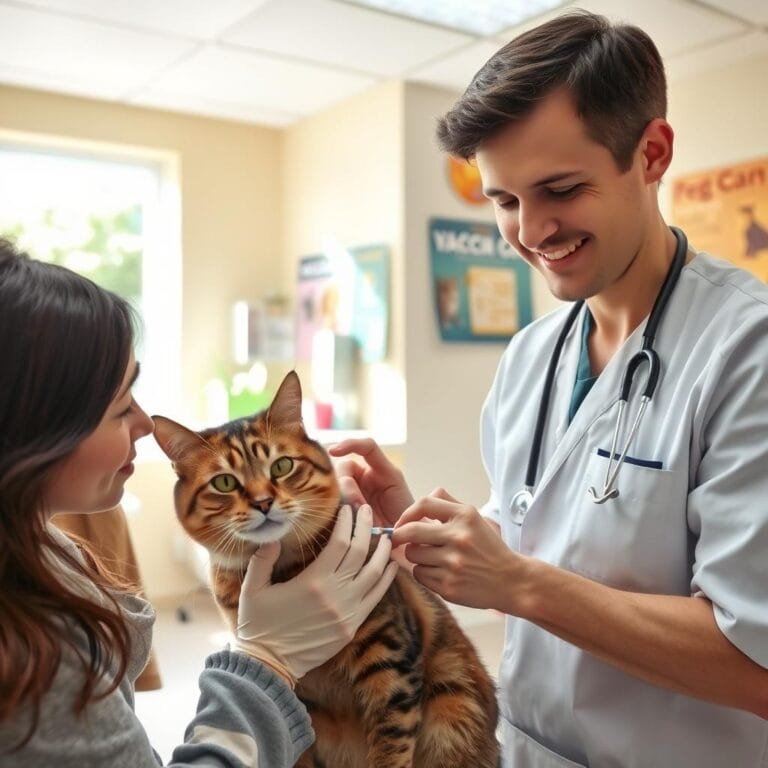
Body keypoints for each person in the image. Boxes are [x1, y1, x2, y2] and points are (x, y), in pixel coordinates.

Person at [330, 10, 768, 767]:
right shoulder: (534, 355)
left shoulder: (746, 351)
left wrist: (519, 585)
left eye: (560, 189)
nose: (531, 230)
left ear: (652, 153)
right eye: (503, 201)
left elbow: (754, 661)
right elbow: (545, 540)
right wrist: (423, 534)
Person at [0, 237, 398, 767]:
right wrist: (263, 662)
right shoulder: (33, 651)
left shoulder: (43, 544)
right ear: (33, 427)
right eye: (121, 408)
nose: (145, 425)